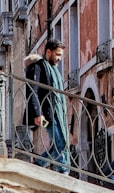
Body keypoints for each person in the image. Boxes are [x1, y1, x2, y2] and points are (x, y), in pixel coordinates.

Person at [24, 40, 69, 172]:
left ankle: (46, 165)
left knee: (60, 144)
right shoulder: (37, 67)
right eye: (57, 54)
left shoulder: (54, 70)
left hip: (57, 111)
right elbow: (32, 91)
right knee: (61, 144)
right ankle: (58, 169)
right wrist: (37, 113)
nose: (59, 59)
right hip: (47, 112)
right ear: (48, 52)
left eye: (61, 55)